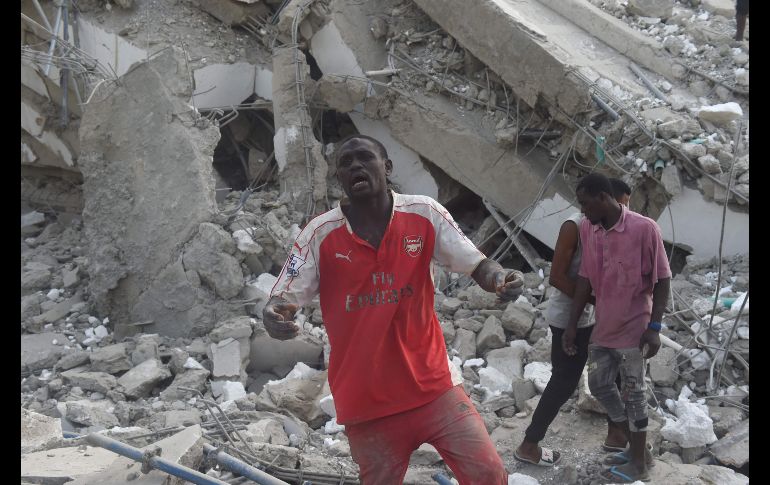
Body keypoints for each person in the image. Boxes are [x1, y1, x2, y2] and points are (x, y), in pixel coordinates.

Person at [264, 134, 526, 484]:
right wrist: (274, 315)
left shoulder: (424, 214)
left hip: (434, 389)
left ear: (386, 167)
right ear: (338, 177)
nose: (356, 165)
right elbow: (283, 296)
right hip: (367, 405)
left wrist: (501, 278)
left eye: (365, 158)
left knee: (490, 474)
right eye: (346, 162)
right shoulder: (319, 235)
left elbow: (477, 264)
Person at [512, 178, 633, 467]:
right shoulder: (575, 226)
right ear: (608, 199)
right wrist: (597, 302)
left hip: (593, 315)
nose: (627, 210)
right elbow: (557, 277)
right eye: (624, 204)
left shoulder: (606, 227)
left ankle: (617, 435)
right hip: (568, 316)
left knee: (613, 370)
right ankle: (529, 444)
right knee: (564, 381)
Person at [563, 173, 671, 483]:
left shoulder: (644, 228)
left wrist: (655, 327)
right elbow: (585, 277)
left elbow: (663, 279)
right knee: (599, 386)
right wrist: (573, 324)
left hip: (635, 329)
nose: (582, 211)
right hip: (604, 326)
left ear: (602, 197)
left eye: (585, 203)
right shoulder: (589, 228)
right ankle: (640, 451)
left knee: (633, 393)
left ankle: (638, 462)